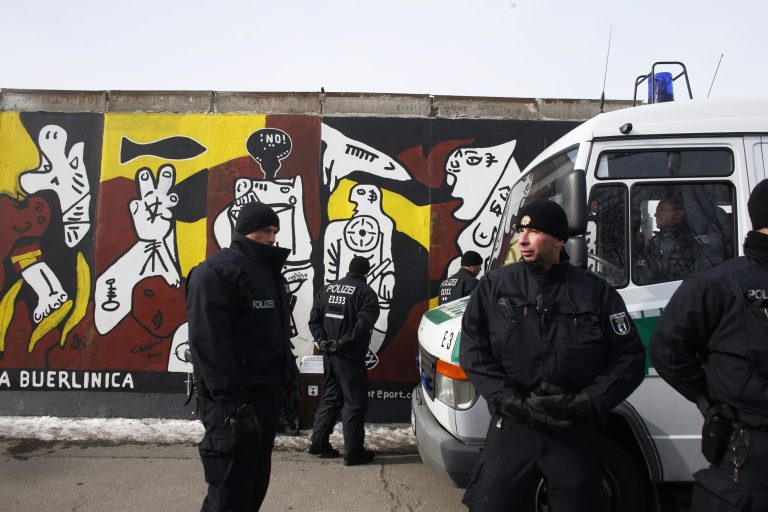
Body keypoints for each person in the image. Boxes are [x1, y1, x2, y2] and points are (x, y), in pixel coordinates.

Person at [459, 199, 646, 512]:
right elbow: (474, 350)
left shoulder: (595, 292)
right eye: (521, 230)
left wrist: (585, 403)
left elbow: (629, 359)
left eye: (533, 231)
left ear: (559, 239)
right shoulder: (494, 286)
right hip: (513, 427)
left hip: (570, 430)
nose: (522, 239)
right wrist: (509, 401)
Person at [650, 179, 768, 511]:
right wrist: (712, 400)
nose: (658, 213)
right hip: (750, 455)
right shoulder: (717, 285)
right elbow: (668, 350)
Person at [185, 202, 293, 512]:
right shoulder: (215, 272)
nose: (272, 238)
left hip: (265, 401)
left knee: (253, 489)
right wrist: (235, 406)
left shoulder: (268, 274)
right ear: (245, 231)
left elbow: (274, 337)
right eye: (265, 231)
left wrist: (287, 384)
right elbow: (209, 348)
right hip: (231, 406)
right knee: (228, 496)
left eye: (275, 231)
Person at [307, 255, 380, 466]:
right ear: (367, 272)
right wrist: (341, 343)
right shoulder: (366, 293)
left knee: (330, 397)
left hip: (329, 355)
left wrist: (323, 341)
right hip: (349, 357)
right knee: (354, 403)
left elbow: (314, 320)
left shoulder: (327, 289)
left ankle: (317, 442)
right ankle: (353, 452)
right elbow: (362, 326)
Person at [635, 195, 702, 283]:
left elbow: (670, 275)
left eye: (662, 210)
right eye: (656, 210)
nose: (656, 214)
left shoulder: (679, 240)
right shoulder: (662, 238)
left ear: (678, 214)